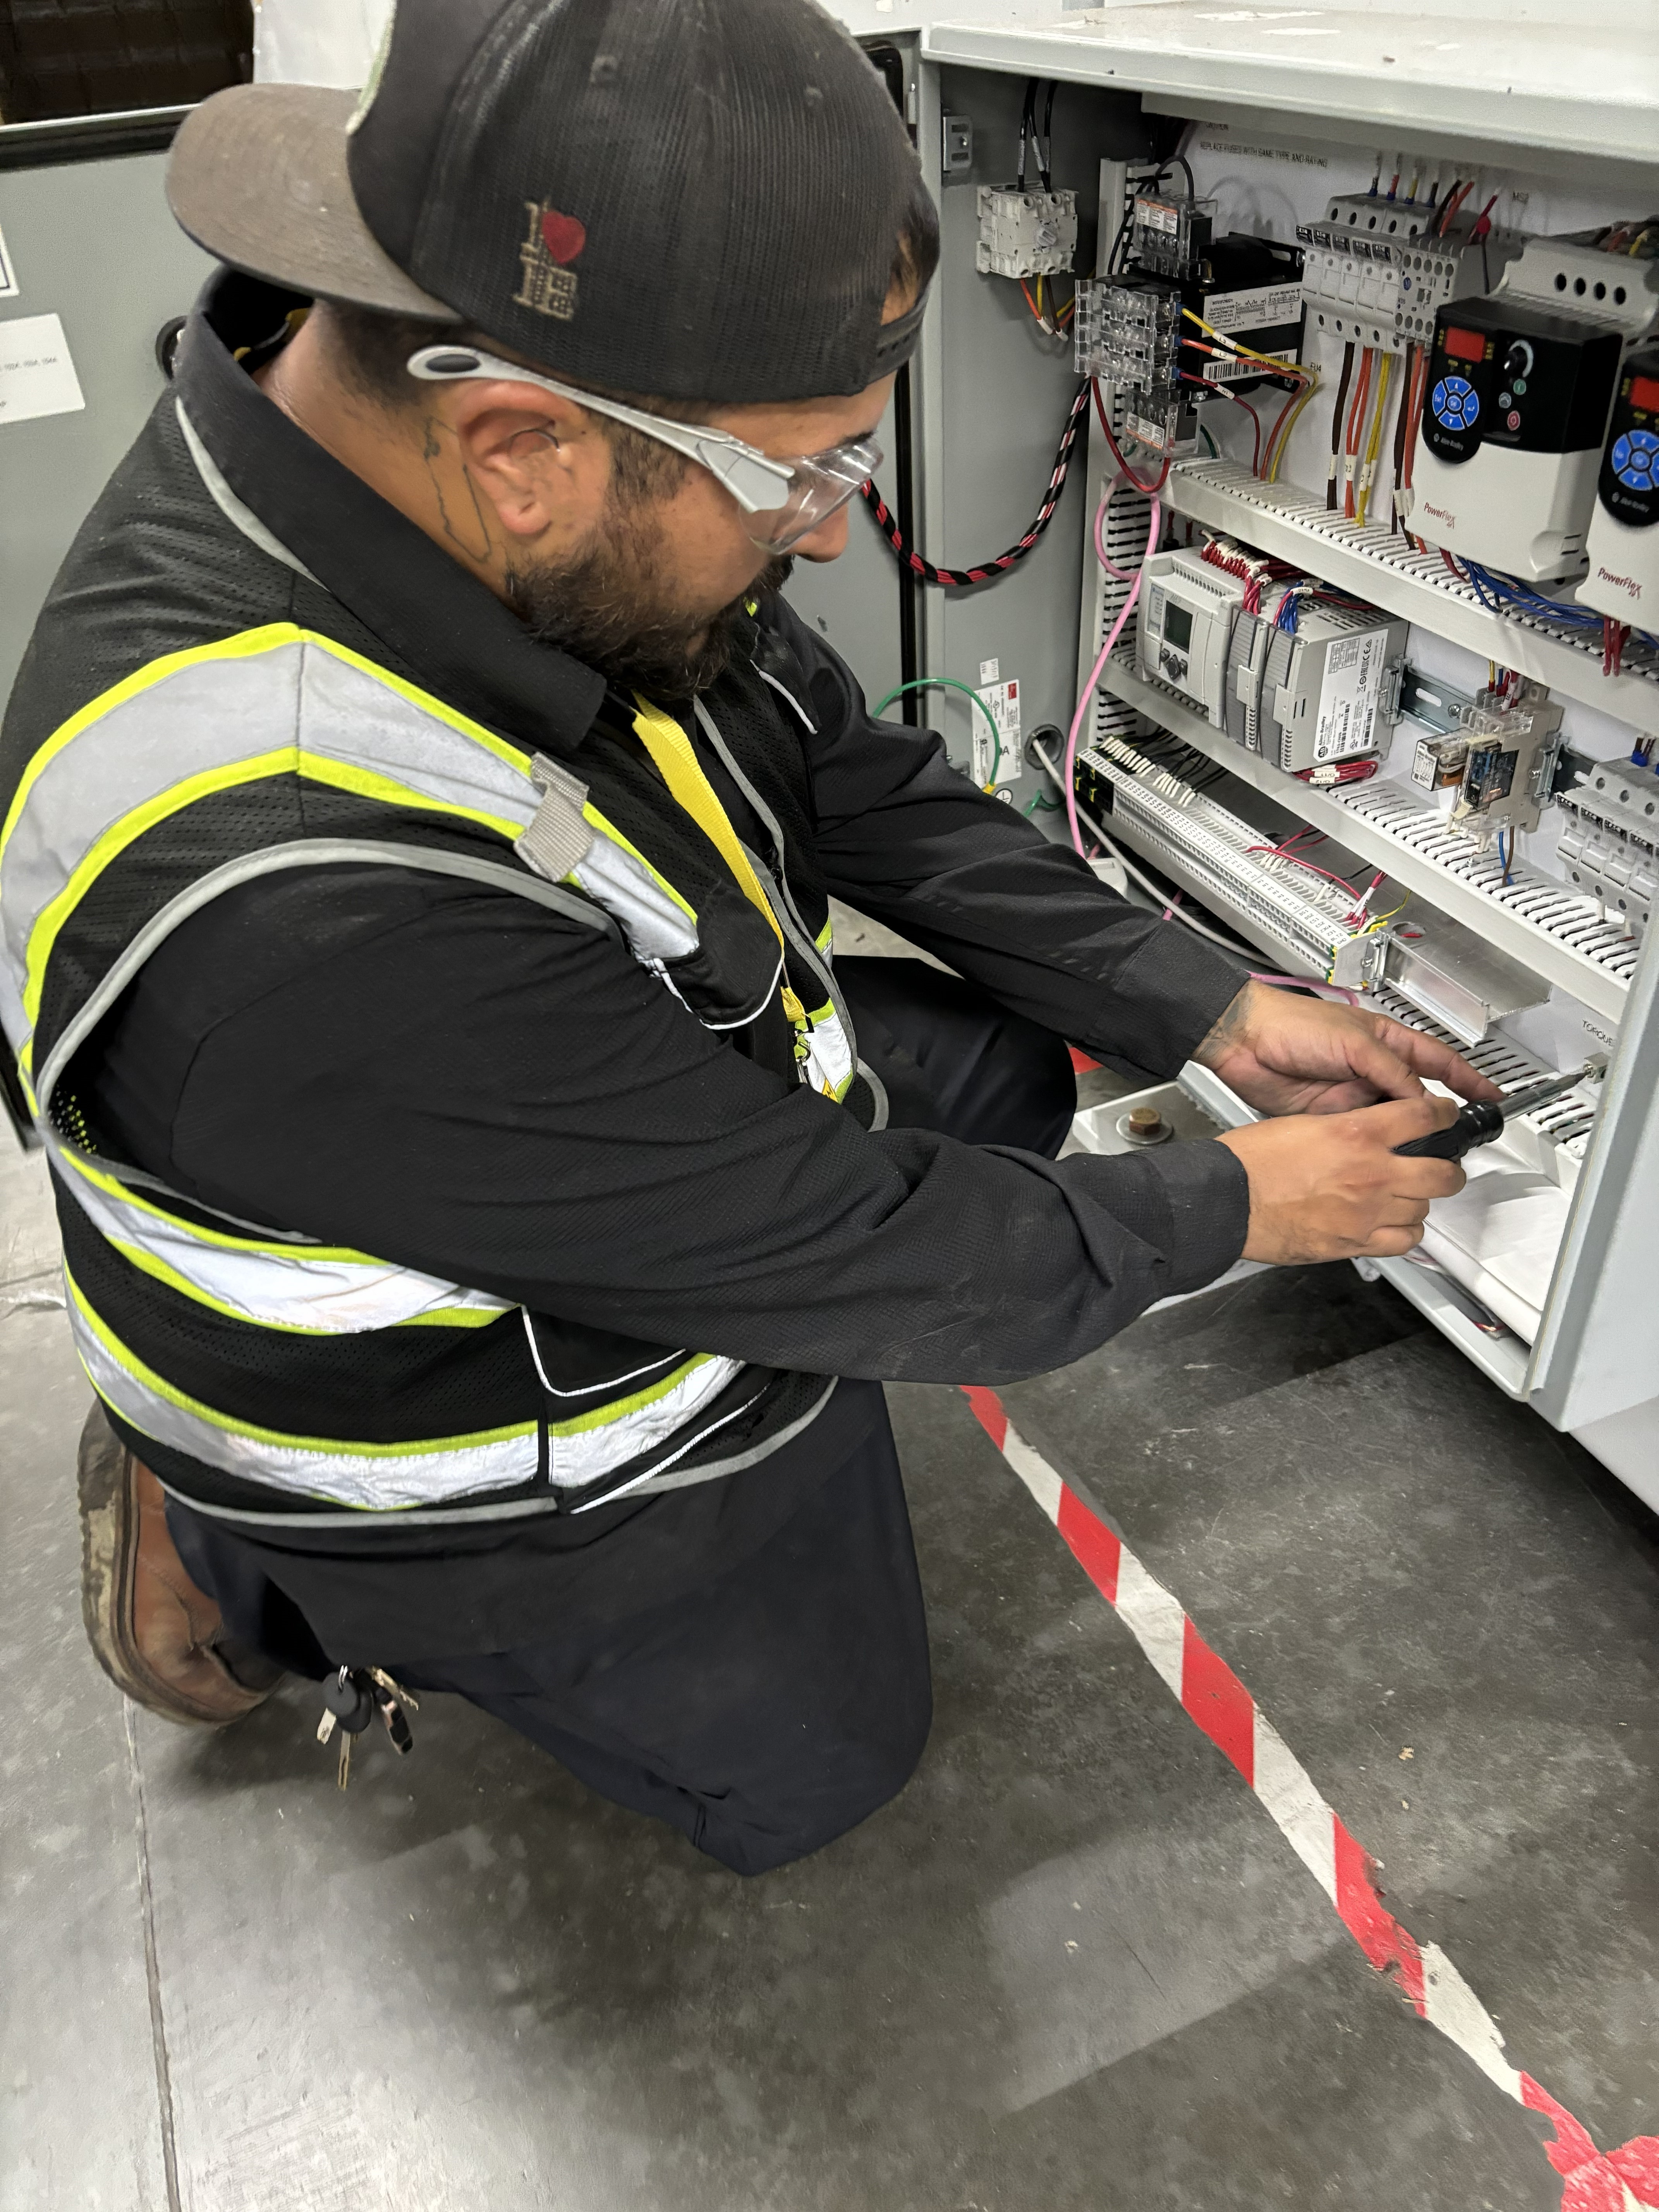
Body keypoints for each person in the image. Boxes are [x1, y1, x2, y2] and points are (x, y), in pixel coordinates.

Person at [0, 0, 1491, 1874]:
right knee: (823, 1771)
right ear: (526, 445)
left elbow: (837, 771)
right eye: (803, 476)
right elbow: (830, 1243)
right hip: (448, 1431)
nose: (824, 533)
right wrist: (1246, 1210)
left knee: (1016, 1072)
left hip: (573, 1109)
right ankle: (242, 1569)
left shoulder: (428, 490)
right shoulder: (307, 912)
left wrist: (1200, 1003)